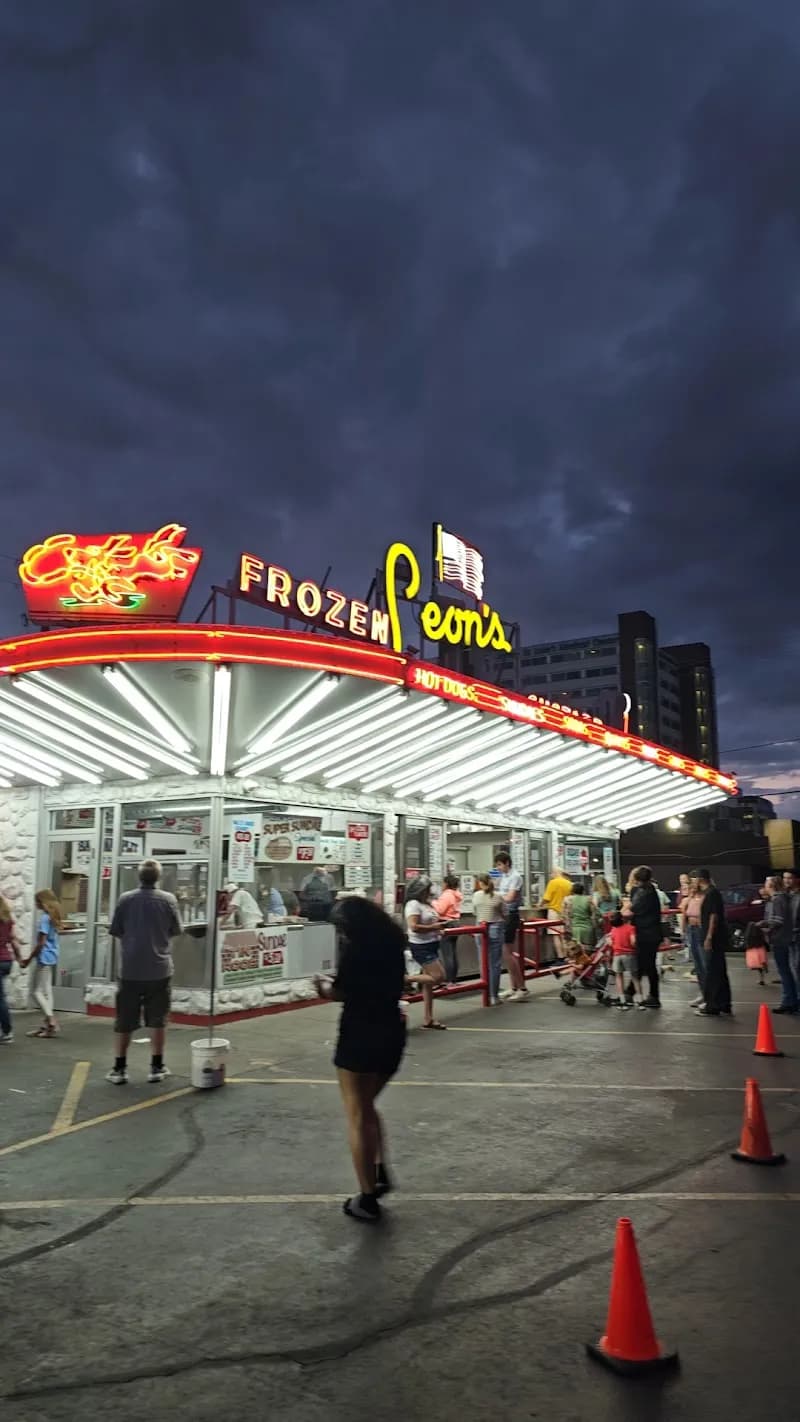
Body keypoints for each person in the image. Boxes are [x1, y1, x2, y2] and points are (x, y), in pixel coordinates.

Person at [314, 897, 406, 1223]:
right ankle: (379, 1169)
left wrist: (323, 987)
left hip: (359, 1033)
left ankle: (367, 1197)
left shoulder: (355, 952)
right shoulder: (394, 943)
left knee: (356, 1113)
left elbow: (341, 992)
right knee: (367, 1107)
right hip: (392, 1031)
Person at [106, 859, 183, 1085]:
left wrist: (134, 942)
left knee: (124, 1020)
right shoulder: (168, 900)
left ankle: (119, 1069)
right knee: (157, 1020)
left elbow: (117, 931)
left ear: (139, 877)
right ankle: (156, 1067)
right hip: (159, 969)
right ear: (158, 877)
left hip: (129, 969)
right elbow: (175, 930)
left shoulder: (125, 900)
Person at [404, 876, 447, 1029]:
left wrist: (438, 928)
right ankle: (407, 979)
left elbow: (430, 922)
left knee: (427, 984)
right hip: (421, 946)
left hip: (431, 944)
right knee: (438, 976)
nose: (429, 891)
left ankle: (428, 1018)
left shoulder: (426, 904)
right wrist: (435, 928)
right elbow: (414, 926)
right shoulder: (413, 904)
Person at [694, 867, 732, 1017]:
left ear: (701, 879)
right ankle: (724, 1003)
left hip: (714, 938)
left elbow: (713, 916)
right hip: (715, 937)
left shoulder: (711, 894)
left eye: (695, 879)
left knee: (713, 971)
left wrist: (709, 936)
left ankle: (713, 1005)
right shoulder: (711, 893)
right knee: (719, 970)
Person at [25, 889, 63, 1039]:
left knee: (36, 992)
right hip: (52, 956)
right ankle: (47, 1027)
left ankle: (51, 1020)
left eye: (37, 901)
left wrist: (28, 959)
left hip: (44, 957)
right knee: (47, 992)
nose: (35, 904)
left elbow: (41, 943)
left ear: (43, 902)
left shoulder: (44, 919)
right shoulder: (53, 917)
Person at [625, 866, 663, 1009]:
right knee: (643, 964)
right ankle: (631, 992)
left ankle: (652, 995)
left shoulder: (644, 893)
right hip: (649, 933)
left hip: (646, 934)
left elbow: (632, 910)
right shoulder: (649, 890)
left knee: (647, 965)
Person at [495, 851, 529, 1002]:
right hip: (504, 916)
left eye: (500, 864)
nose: (498, 868)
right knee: (506, 954)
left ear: (507, 863)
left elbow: (510, 897)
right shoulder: (504, 877)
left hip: (511, 916)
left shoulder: (515, 877)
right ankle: (514, 986)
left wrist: (496, 896)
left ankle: (522, 988)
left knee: (508, 953)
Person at [761, 875, 796, 1015]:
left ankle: (789, 1001)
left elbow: (778, 920)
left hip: (780, 939)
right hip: (782, 938)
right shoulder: (779, 899)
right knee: (786, 971)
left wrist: (765, 926)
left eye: (766, 884)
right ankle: (791, 1000)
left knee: (785, 971)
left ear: (771, 886)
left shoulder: (778, 899)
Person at [472, 871, 506, 1004]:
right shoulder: (498, 896)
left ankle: (485, 993)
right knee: (495, 964)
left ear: (480, 883)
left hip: (480, 928)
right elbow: (505, 913)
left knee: (483, 962)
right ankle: (494, 996)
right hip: (496, 928)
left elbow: (475, 912)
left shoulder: (476, 895)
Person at [0, 894, 24, 1043]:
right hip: (6, 961)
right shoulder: (7, 921)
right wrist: (19, 958)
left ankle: (8, 1032)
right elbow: (14, 941)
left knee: (0, 999)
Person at [433, 872, 463, 986]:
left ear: (446, 884)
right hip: (455, 923)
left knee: (447, 954)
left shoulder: (447, 895)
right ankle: (453, 979)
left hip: (446, 924)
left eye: (443, 883)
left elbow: (440, 910)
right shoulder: (456, 894)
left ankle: (449, 980)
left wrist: (432, 902)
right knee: (453, 953)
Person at [682, 873, 706, 1007]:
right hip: (691, 930)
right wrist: (684, 931)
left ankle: (709, 996)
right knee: (698, 966)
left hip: (700, 929)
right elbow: (684, 914)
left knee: (704, 964)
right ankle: (703, 994)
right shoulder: (690, 898)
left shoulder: (704, 898)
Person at [608, 911, 640, 1010]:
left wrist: (613, 945)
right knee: (634, 977)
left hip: (617, 954)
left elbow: (610, 942)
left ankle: (622, 1001)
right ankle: (640, 1001)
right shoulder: (631, 928)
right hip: (629, 954)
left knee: (618, 976)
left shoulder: (613, 930)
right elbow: (633, 942)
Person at [563, 882, 597, 947]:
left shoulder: (568, 900)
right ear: (583, 891)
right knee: (589, 952)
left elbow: (564, 915)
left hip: (574, 930)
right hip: (588, 929)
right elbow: (595, 914)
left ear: (572, 890)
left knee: (577, 952)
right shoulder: (589, 899)